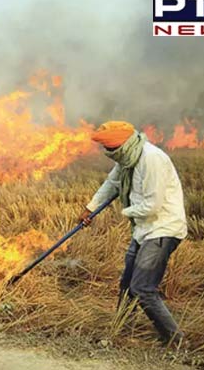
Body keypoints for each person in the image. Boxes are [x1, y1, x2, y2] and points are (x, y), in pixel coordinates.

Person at [79, 121, 187, 345]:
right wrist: (90, 208)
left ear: (123, 146)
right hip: (143, 229)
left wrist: (123, 211)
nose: (108, 154)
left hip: (162, 228)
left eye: (111, 149)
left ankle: (177, 341)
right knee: (127, 284)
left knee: (142, 288)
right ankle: (121, 332)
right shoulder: (127, 158)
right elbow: (112, 183)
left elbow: (153, 205)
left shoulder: (151, 159)